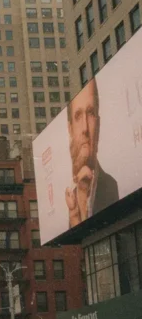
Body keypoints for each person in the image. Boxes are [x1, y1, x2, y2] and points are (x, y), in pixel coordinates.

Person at [64, 77, 119, 228]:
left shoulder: (112, 187)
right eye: (78, 116)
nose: (85, 128)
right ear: (70, 129)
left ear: (99, 125)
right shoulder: (72, 199)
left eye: (90, 113)